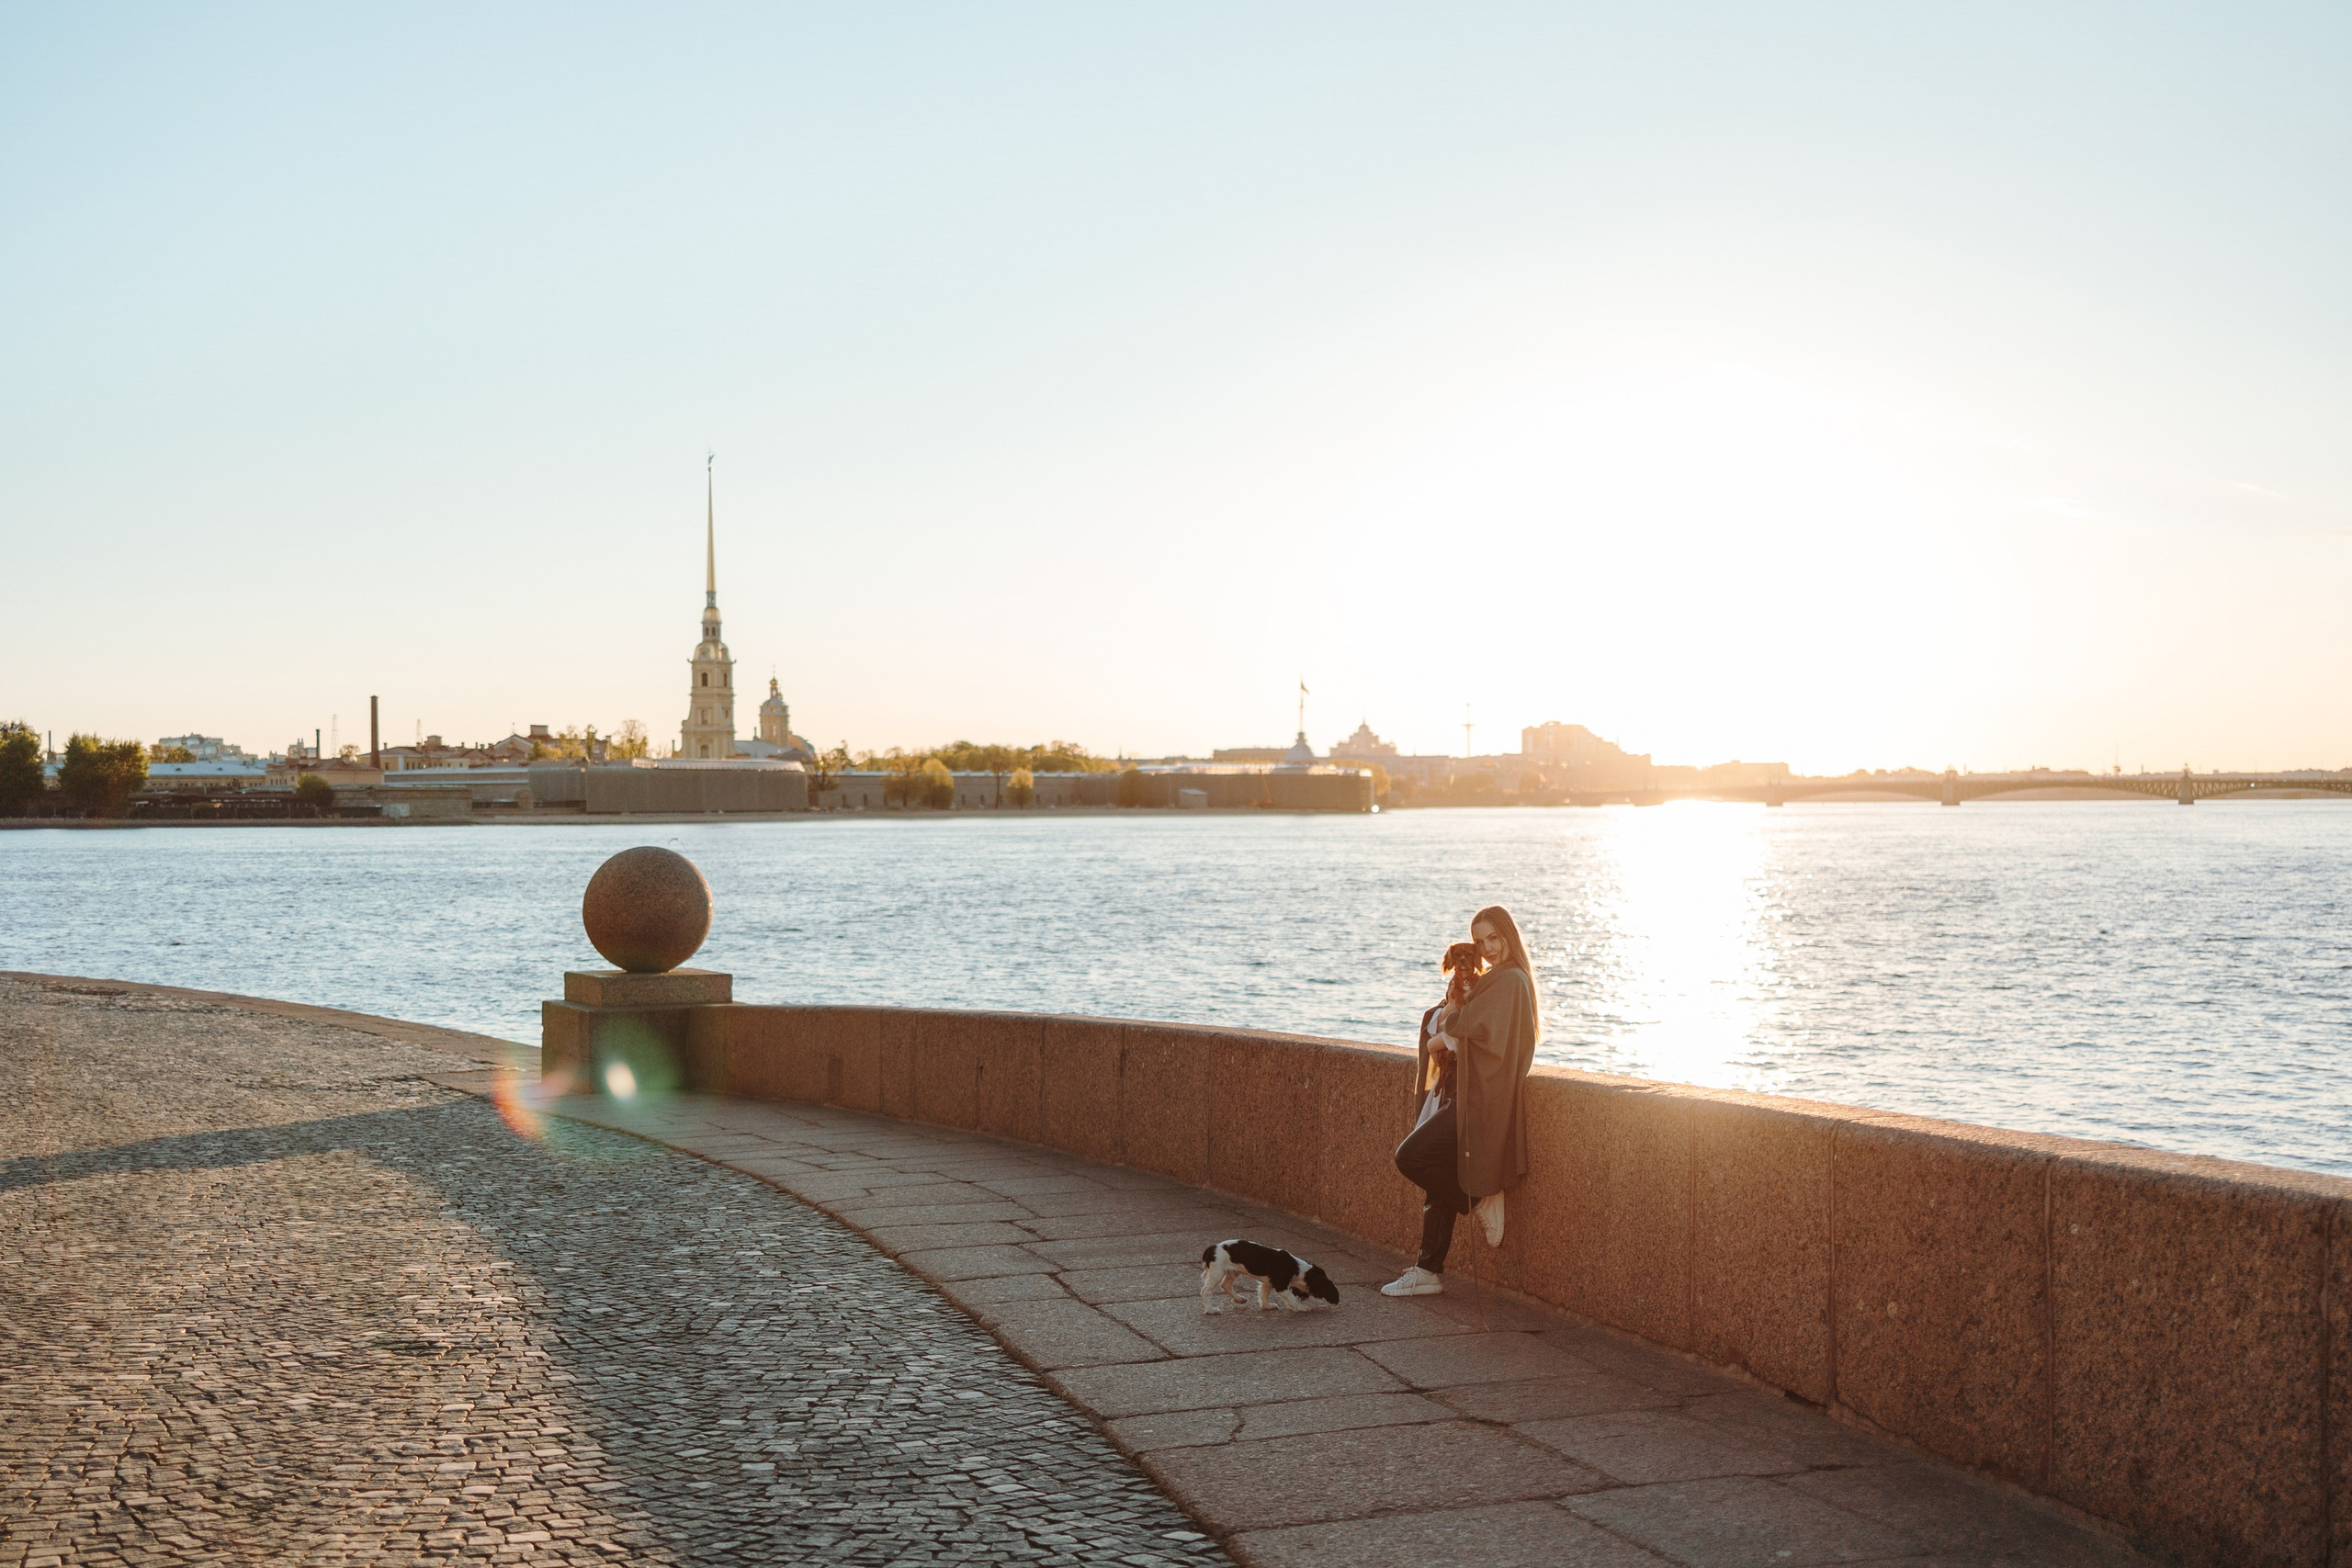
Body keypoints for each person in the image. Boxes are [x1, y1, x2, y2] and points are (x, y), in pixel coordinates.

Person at [1383, 905, 1543, 1297]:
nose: (1487, 949)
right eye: (1480, 942)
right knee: (1437, 1168)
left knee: (1410, 1157)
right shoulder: (1501, 978)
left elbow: (1463, 1023)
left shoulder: (1510, 979)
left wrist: (1444, 1027)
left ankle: (1476, 1197)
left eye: (1494, 938)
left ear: (1508, 935)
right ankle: (1428, 1270)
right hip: (1468, 1089)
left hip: (1479, 1097)